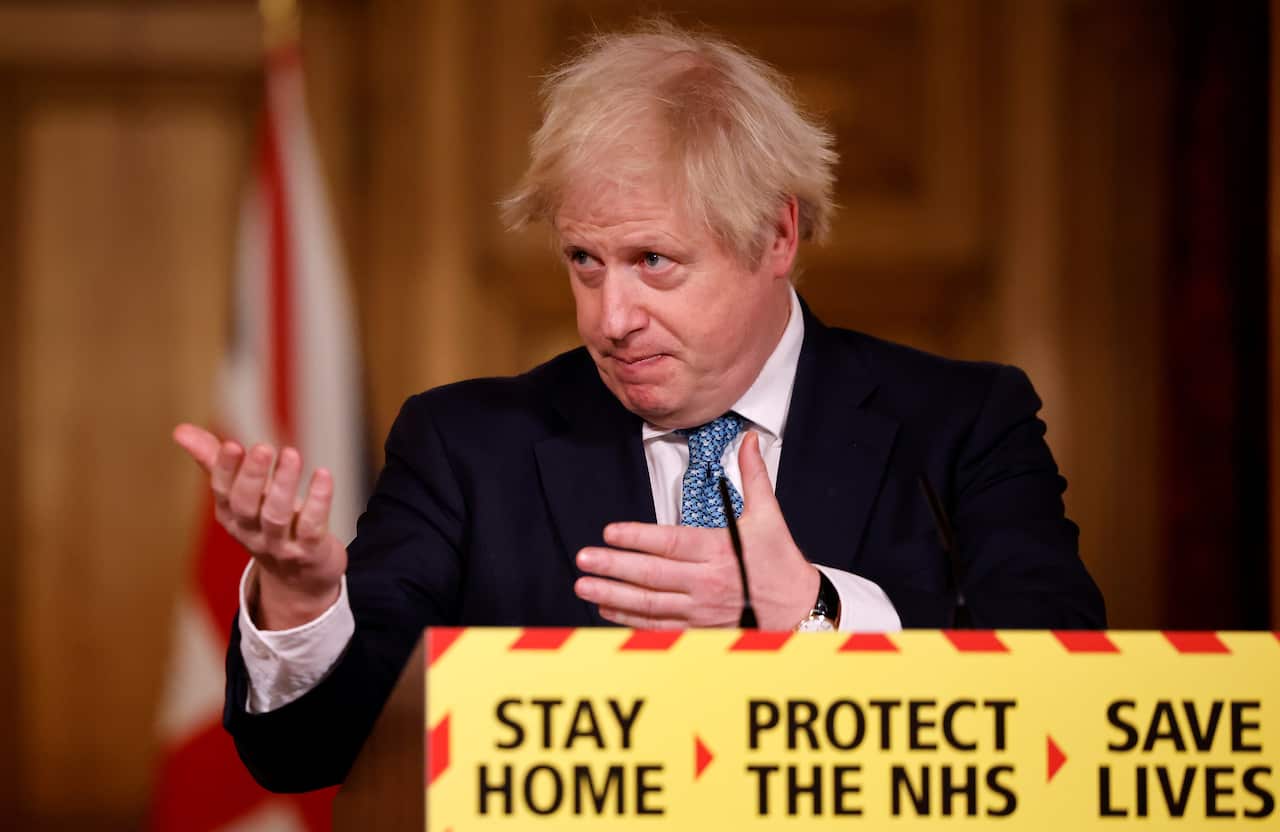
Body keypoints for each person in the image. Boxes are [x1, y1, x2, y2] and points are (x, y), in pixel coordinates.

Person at [174, 21, 1105, 793]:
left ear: (776, 234)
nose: (609, 318)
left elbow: (1065, 713)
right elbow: (302, 757)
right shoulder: (467, 447)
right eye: (585, 261)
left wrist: (810, 612)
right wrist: (301, 600)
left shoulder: (963, 425)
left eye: (653, 261)